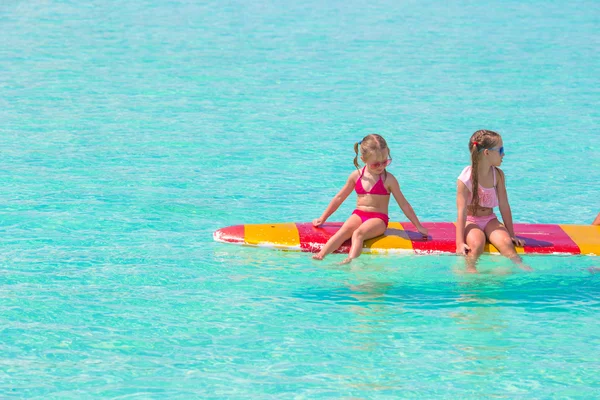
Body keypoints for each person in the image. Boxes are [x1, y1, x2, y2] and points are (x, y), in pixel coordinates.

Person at [312, 134, 428, 264]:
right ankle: (321, 254)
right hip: (358, 214)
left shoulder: (388, 179)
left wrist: (418, 226)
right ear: (363, 159)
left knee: (358, 234)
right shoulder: (356, 176)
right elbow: (339, 198)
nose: (380, 167)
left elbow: (404, 204)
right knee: (344, 231)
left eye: (385, 162)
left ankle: (350, 260)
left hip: (378, 219)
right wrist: (323, 218)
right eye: (375, 164)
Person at [456, 129, 532, 272]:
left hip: (490, 219)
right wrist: (459, 242)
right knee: (477, 244)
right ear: (487, 153)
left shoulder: (498, 175)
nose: (504, 154)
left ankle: (520, 265)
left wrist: (511, 234)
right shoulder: (465, 178)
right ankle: (470, 269)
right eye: (501, 150)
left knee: (506, 243)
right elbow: (461, 211)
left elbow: (504, 205)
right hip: (471, 221)